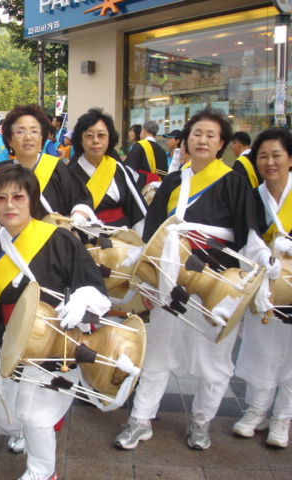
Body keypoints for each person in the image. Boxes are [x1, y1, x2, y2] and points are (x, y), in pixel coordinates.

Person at [115, 108, 278, 452]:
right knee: (158, 353)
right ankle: (140, 419)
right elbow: (152, 237)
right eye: (197, 134)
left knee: (214, 361)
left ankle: (201, 422)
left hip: (217, 284)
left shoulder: (234, 181)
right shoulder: (174, 182)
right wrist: (146, 282)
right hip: (169, 282)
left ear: (222, 144)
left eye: (211, 135)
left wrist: (261, 263)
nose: (202, 140)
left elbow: (246, 236)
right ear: (187, 140)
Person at [0, 165, 109, 480]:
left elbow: (91, 284)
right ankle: (37, 441)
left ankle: (42, 473)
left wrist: (83, 301)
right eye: (0, 198)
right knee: (15, 416)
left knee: (34, 414)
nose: (10, 205)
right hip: (14, 347)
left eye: (18, 196)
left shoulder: (59, 238)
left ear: (33, 200)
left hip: (58, 343)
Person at [233, 128, 292, 448]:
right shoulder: (253, 197)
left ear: (290, 159)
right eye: (263, 156)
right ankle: (257, 410)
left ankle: (283, 416)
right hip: (266, 284)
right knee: (262, 347)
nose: (270, 162)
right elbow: (248, 236)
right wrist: (263, 255)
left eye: (277, 155)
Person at [1, 104, 92, 224]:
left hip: (54, 239)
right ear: (9, 139)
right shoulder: (0, 173)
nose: (28, 137)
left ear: (42, 137)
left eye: (34, 131)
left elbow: (81, 200)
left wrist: (76, 218)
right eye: (20, 132)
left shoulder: (58, 169)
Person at [69, 108, 146, 232]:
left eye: (101, 135)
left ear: (109, 138)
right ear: (80, 140)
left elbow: (135, 209)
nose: (96, 141)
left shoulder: (118, 169)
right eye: (89, 136)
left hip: (122, 239)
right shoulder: (69, 174)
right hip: (87, 240)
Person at [125, 120, 168, 186]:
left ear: (144, 131)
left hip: (142, 189)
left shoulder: (139, 146)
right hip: (157, 190)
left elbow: (129, 170)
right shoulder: (163, 151)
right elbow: (165, 175)